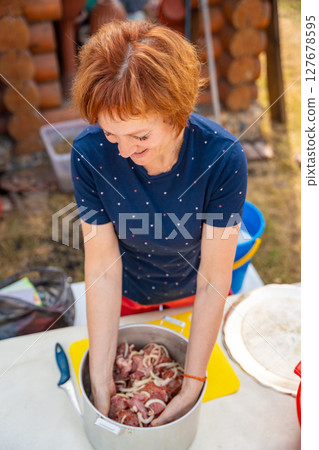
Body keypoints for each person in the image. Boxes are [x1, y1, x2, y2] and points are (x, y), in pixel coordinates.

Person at [71, 20, 247, 426]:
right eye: (112, 135)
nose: (126, 151)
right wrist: (100, 380)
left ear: (178, 113)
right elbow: (101, 265)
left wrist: (192, 381)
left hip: (193, 295)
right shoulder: (88, 154)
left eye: (141, 137)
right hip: (127, 296)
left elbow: (214, 278)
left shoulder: (222, 159)